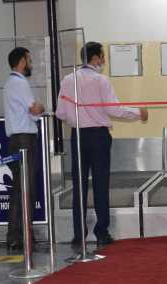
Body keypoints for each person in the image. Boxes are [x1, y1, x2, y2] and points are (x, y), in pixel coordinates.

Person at [56, 42, 148, 251]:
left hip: (77, 136)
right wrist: (137, 112)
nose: (103, 62)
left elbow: (60, 113)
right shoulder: (101, 80)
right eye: (102, 57)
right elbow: (113, 109)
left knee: (78, 186)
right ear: (95, 58)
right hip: (98, 137)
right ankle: (101, 233)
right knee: (100, 184)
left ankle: (79, 235)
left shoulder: (68, 80)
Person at [3, 47, 45, 252]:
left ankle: (20, 234)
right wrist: (42, 107)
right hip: (24, 140)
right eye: (29, 59)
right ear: (21, 62)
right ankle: (19, 235)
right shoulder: (19, 83)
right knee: (25, 189)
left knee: (21, 188)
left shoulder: (12, 83)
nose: (31, 63)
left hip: (19, 139)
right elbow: (35, 109)